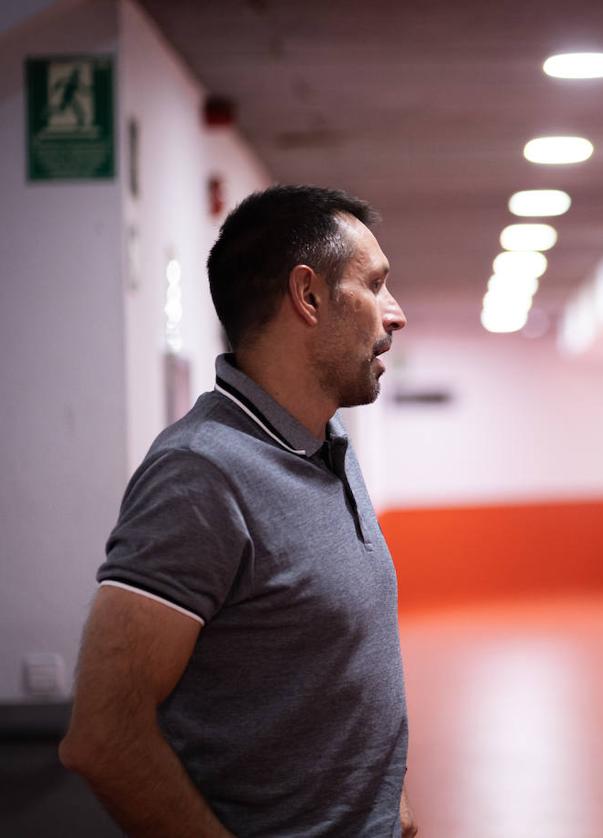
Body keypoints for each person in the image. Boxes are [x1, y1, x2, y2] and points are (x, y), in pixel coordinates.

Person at [59, 185, 417, 837]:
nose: (395, 315)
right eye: (376, 284)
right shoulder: (202, 473)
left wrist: (384, 803)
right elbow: (103, 737)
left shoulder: (327, 446)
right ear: (308, 296)